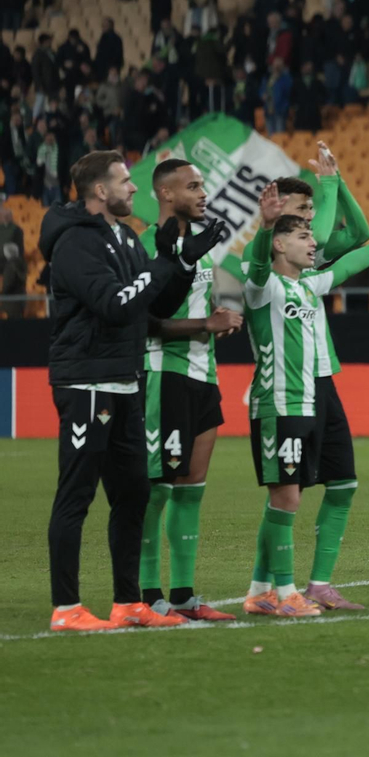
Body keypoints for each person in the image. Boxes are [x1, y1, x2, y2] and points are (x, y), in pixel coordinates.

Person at [40, 152, 220, 632]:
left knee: (134, 494)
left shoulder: (121, 236)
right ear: (100, 190)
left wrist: (182, 263)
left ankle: (127, 603)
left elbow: (152, 304)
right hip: (87, 381)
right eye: (124, 180)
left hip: (124, 380)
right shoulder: (75, 243)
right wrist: (164, 261)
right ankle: (66, 607)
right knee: (75, 497)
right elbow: (115, 304)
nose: (134, 188)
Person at [242, 186, 369, 615]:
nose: (314, 242)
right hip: (279, 403)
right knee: (287, 498)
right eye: (303, 237)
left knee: (327, 485)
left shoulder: (309, 286)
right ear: (279, 243)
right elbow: (258, 265)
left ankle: (278, 591)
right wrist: (264, 225)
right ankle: (282, 592)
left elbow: (352, 262)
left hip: (312, 399)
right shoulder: (262, 287)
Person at [266, 145, 369, 609]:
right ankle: (271, 588)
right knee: (285, 494)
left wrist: (338, 183)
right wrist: (330, 185)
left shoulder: (310, 261)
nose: (312, 223)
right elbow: (341, 233)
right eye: (302, 211)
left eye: (313, 211)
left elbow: (365, 236)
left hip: (323, 376)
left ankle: (308, 585)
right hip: (288, 387)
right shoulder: (269, 268)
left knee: (339, 481)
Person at [136, 159, 243, 620]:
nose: (204, 193)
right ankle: (145, 594)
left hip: (205, 375)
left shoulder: (202, 247)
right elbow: (145, 322)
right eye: (193, 186)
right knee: (157, 489)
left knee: (191, 491)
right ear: (165, 193)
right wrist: (206, 322)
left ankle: (183, 597)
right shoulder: (145, 245)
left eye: (203, 185)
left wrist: (218, 315)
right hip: (164, 372)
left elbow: (204, 298)